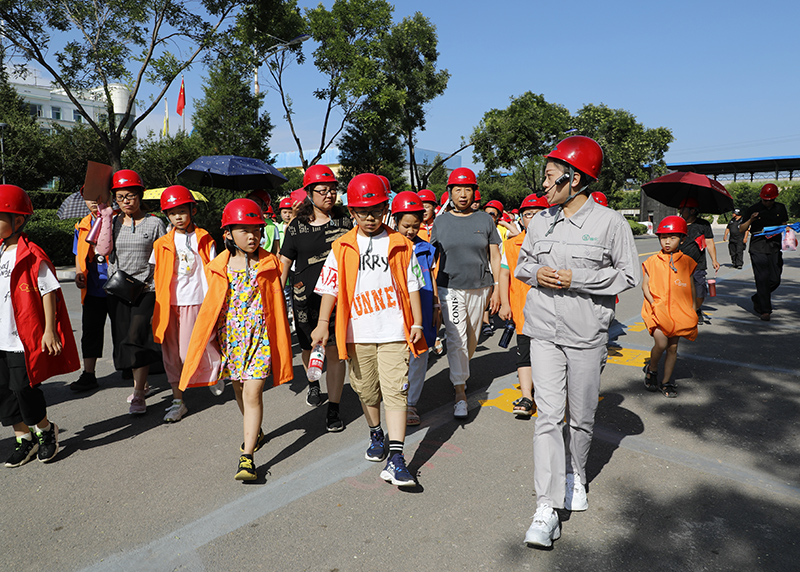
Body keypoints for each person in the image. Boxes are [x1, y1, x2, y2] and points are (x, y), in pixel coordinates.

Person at [515, 136, 640, 548]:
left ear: (575, 178)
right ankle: (546, 507)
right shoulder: (540, 221)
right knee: (549, 417)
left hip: (586, 335)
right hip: (543, 332)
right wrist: (537, 274)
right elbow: (522, 265)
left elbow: (628, 275)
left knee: (581, 416)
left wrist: (578, 279)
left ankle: (576, 474)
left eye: (550, 176)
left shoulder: (610, 223)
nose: (544, 184)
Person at [311, 173, 426, 487]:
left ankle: (397, 457)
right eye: (363, 212)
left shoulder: (401, 244)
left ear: (386, 209)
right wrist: (322, 324)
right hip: (357, 334)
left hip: (394, 332)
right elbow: (330, 288)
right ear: (352, 212)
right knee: (366, 391)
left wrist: (416, 322)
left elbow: (413, 285)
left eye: (376, 210)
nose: (371, 217)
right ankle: (376, 434)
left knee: (396, 392)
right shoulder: (342, 246)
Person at [179, 198, 293, 481]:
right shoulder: (218, 266)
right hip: (230, 338)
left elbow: (276, 302)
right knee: (240, 390)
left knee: (253, 393)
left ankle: (247, 457)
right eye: (244, 230)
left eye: (256, 229)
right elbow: (211, 306)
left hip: (260, 337)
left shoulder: (270, 263)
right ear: (228, 233)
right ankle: (255, 431)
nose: (252, 236)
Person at [0, 184, 80, 467]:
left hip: (21, 337)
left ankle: (45, 431)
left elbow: (49, 292)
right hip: (0, 336)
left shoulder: (32, 253)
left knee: (24, 389)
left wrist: (49, 330)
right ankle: (24, 438)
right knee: (4, 392)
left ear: (18, 220)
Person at [279, 165, 352, 431]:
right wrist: (276, 297)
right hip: (304, 299)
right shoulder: (296, 227)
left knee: (334, 352)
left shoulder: (345, 221)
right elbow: (285, 262)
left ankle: (334, 408)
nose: (329, 195)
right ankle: (313, 384)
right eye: (323, 190)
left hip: (338, 300)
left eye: (333, 190)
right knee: (309, 348)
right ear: (310, 193)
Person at [430, 167, 501, 419]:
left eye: (467, 189)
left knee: (471, 338)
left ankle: (460, 372)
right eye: (457, 189)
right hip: (449, 287)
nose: (462, 194)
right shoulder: (440, 222)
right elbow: (430, 258)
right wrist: (432, 296)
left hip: (480, 287)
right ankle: (460, 392)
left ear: (474, 192)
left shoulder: (485, 220)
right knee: (456, 337)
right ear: (449, 192)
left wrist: (497, 289)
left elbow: (495, 256)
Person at [99, 169, 166, 415]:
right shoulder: (112, 222)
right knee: (124, 339)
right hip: (119, 289)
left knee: (137, 335)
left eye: (130, 195)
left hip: (147, 289)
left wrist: (156, 284)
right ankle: (142, 382)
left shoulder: (155, 223)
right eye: (120, 197)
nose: (125, 201)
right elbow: (101, 250)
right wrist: (105, 218)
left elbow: (163, 256)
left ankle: (138, 394)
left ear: (140, 195)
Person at [150, 186, 216, 423]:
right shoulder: (161, 243)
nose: (177, 217)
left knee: (189, 351)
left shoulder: (204, 237)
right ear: (166, 215)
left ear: (192, 210)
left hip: (195, 300)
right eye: (172, 213)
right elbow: (156, 274)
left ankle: (213, 371)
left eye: (182, 211)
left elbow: (213, 269)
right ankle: (178, 401)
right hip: (168, 304)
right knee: (171, 355)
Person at [498, 193, 549, 417]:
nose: (533, 218)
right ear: (521, 218)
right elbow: (504, 274)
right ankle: (527, 395)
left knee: (549, 355)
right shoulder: (511, 245)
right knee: (524, 353)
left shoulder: (556, 243)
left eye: (539, 214)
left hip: (550, 311)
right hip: (522, 310)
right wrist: (504, 303)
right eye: (528, 214)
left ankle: (548, 393)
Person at [390, 191, 439, 426]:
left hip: (424, 307)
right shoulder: (387, 247)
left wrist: (437, 305)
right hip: (396, 310)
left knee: (419, 355)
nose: (410, 231)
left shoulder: (426, 249)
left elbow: (432, 278)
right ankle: (396, 399)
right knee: (396, 355)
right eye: (406, 226)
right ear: (395, 220)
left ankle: (411, 403)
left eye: (415, 226)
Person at [641, 216, 698, 399]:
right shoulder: (651, 261)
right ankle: (652, 368)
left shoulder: (687, 262)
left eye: (672, 238)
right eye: (663, 237)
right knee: (661, 343)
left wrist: (693, 309)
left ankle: (666, 382)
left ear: (682, 239)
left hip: (679, 311)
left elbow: (691, 287)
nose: (667, 241)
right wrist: (654, 302)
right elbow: (645, 285)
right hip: (657, 310)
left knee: (673, 348)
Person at [69, 189, 110, 392]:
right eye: (89, 197)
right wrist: (79, 272)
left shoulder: (117, 219)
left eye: (97, 196)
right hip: (93, 288)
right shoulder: (82, 224)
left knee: (124, 330)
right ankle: (88, 373)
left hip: (117, 286)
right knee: (91, 331)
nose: (94, 201)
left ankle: (132, 369)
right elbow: (78, 253)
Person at [737, 183, 789, 320]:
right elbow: (741, 229)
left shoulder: (780, 208)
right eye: (765, 200)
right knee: (762, 279)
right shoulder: (753, 209)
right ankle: (765, 310)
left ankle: (757, 297)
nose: (767, 203)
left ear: (775, 198)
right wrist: (751, 220)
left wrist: (786, 231)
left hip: (774, 246)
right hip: (758, 247)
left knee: (775, 279)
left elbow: (784, 224)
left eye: (770, 200)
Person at [678, 197, 720, 320]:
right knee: (680, 291)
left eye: (683, 209)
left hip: (698, 265)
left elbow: (709, 242)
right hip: (679, 264)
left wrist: (714, 259)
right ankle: (688, 313)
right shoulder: (678, 224)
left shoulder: (703, 225)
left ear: (692, 211)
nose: (680, 212)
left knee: (700, 292)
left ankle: (695, 309)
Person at [246, 190, 280, 255]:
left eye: (256, 202)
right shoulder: (239, 224)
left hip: (265, 259)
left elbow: (276, 250)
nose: (252, 205)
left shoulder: (272, 227)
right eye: (249, 201)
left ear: (264, 207)